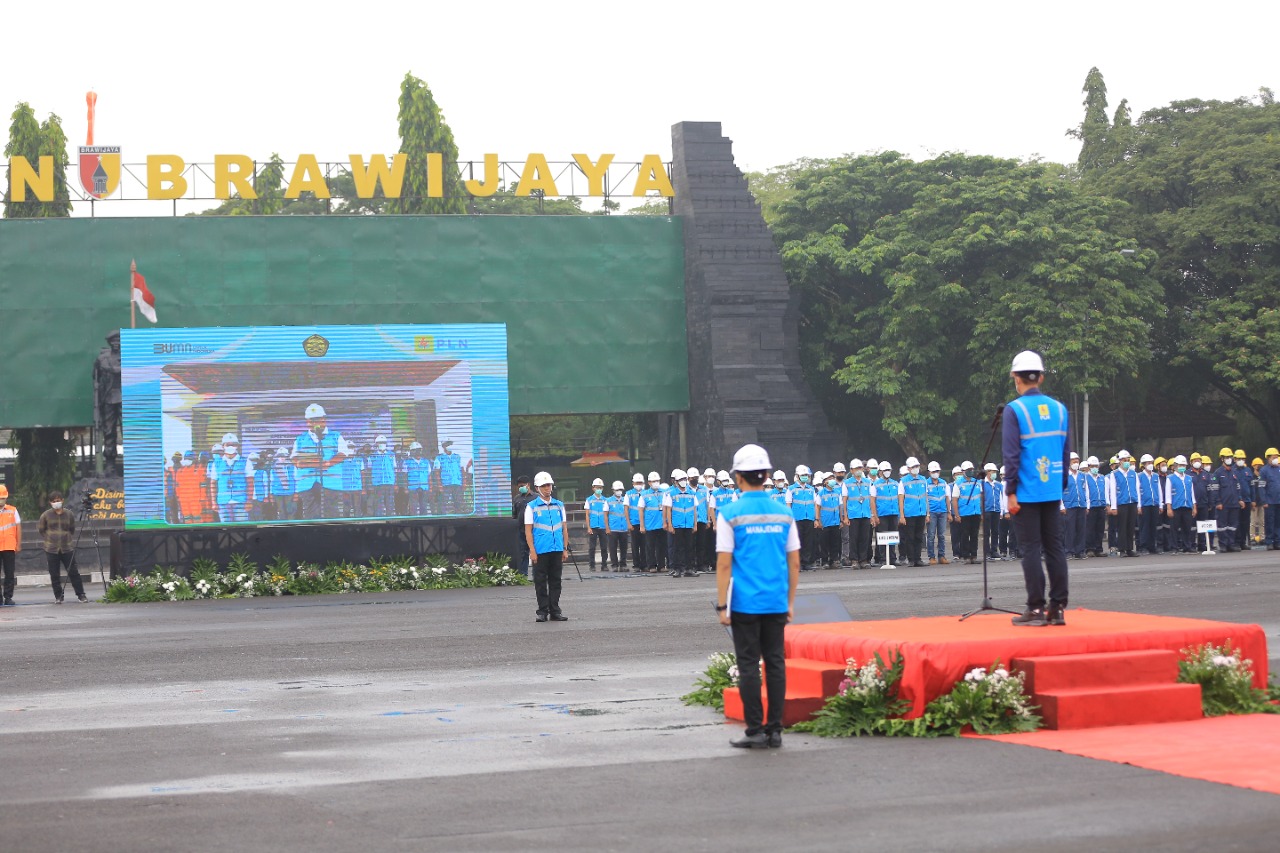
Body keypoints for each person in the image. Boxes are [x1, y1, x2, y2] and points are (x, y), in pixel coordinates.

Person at [715, 443, 800, 749]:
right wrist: (789, 602)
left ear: (738, 477)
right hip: (775, 600)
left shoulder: (729, 513)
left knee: (749, 665)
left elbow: (724, 563)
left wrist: (722, 605)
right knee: (775, 663)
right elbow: (794, 561)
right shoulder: (784, 512)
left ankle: (755, 729)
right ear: (766, 475)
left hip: (745, 603)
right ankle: (775, 729)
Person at [1002, 351, 1071, 627]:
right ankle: (1058, 607)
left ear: (1016, 378)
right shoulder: (1060, 410)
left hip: (1026, 492)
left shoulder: (1014, 410)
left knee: (1030, 549)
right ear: (1040, 377)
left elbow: (1011, 455)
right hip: (1052, 490)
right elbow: (1065, 453)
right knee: (1055, 548)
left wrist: (1010, 491)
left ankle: (1036, 607)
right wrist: (1060, 486)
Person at [292, 404, 350, 519]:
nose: (314, 423)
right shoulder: (300, 439)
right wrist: (301, 463)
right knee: (310, 515)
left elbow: (343, 453)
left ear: (324, 419)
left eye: (317, 419)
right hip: (307, 484)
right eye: (311, 420)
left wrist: (328, 463)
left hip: (330, 482)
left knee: (331, 513)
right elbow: (294, 457)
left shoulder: (335, 436)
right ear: (307, 422)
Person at [524, 472, 569, 622]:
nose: (547, 488)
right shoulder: (531, 507)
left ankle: (555, 611)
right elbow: (528, 531)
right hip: (540, 550)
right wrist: (532, 550)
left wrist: (565, 548)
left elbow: (564, 528)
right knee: (540, 581)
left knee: (556, 581)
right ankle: (542, 611)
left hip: (557, 548)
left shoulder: (559, 505)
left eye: (549, 485)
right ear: (537, 488)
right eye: (544, 486)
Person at [38, 492, 88, 603]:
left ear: (62, 500)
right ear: (50, 502)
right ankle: (58, 596)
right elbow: (41, 530)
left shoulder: (69, 514)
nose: (56, 503)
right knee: (54, 574)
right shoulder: (45, 515)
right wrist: (51, 537)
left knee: (73, 572)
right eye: (54, 501)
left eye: (58, 500)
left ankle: (81, 594)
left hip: (67, 548)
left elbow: (72, 529)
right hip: (51, 549)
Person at [664, 469, 698, 577]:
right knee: (677, 548)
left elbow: (694, 510)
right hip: (677, 525)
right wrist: (670, 524)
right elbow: (668, 510)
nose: (683, 481)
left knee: (689, 547)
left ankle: (688, 568)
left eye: (684, 479)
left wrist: (695, 524)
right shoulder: (672, 494)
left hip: (688, 524)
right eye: (680, 480)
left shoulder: (692, 493)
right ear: (676, 482)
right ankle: (677, 569)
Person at [1107, 450, 1140, 557]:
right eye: (1124, 460)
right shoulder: (1114, 474)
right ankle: (1122, 549)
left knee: (1131, 526)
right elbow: (1112, 491)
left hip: (1132, 502)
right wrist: (1113, 506)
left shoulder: (1133, 474)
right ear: (1120, 461)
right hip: (1121, 503)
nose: (1126, 462)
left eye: (1128, 460)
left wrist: (1139, 505)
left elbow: (1137, 489)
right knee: (1122, 527)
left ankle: (1129, 548)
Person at [842, 459, 873, 569]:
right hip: (853, 514)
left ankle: (863, 560)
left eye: (860, 468)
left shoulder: (868, 482)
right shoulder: (847, 483)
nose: (858, 470)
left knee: (865, 537)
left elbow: (871, 500)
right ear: (851, 470)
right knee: (854, 538)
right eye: (856, 468)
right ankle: (854, 559)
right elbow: (844, 500)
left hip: (865, 514)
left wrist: (872, 515)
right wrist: (845, 516)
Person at [1212, 448, 1244, 552]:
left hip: (1234, 503)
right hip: (1223, 504)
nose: (1229, 459)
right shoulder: (1217, 473)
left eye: (1230, 457)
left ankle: (1231, 544)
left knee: (1233, 525)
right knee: (1222, 526)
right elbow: (1215, 489)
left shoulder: (1234, 472)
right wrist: (1218, 502)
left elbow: (1238, 487)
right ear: (1222, 459)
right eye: (1226, 457)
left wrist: (1240, 499)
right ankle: (1223, 544)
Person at [1164, 455, 1197, 554]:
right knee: (1174, 528)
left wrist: (1194, 506)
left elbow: (1192, 493)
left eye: (1183, 465)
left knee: (1187, 528)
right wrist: (1169, 508)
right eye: (1180, 465)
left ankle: (1187, 546)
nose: (1182, 467)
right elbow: (1168, 494)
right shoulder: (1170, 478)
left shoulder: (1189, 478)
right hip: (1176, 506)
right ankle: (1174, 547)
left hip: (1187, 506)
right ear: (1175, 466)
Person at [786, 464, 817, 569]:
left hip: (809, 518)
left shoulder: (811, 489)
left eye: (806, 475)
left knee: (808, 541)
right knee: (797, 541)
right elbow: (788, 504)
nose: (805, 477)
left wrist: (816, 518)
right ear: (797, 476)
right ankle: (797, 563)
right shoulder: (791, 489)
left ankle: (806, 562)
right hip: (797, 518)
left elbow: (815, 504)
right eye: (803, 475)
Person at [870, 461, 900, 567]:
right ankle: (883, 558)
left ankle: (892, 558)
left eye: (888, 470)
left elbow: (899, 499)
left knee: (893, 536)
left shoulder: (895, 483)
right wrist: (875, 515)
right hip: (882, 514)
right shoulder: (875, 484)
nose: (887, 472)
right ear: (880, 472)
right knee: (883, 537)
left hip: (894, 513)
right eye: (885, 470)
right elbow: (872, 501)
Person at [899, 458, 928, 567]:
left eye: (916, 466)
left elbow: (926, 497)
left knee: (919, 537)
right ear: (908, 468)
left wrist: (927, 513)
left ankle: (918, 558)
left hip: (921, 512)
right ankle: (911, 559)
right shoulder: (903, 481)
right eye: (913, 467)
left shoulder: (923, 479)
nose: (915, 468)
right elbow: (901, 499)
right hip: (910, 513)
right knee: (910, 537)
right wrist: (902, 515)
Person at [639, 472, 667, 572]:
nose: (656, 483)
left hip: (662, 524)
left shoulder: (664, 492)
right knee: (650, 547)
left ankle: (661, 565)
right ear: (649, 483)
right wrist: (642, 525)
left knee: (662, 546)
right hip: (650, 525)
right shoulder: (644, 494)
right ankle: (651, 566)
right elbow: (641, 510)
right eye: (653, 481)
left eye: (657, 481)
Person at [924, 461, 951, 565]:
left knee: (942, 535)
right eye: (933, 471)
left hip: (943, 512)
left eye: (937, 471)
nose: (935, 473)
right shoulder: (926, 483)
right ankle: (931, 557)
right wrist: (927, 514)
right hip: (932, 512)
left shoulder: (944, 483)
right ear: (929, 472)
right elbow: (925, 499)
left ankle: (941, 556)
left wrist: (949, 512)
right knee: (931, 535)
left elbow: (947, 498)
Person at [815, 472, 843, 569]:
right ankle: (825, 561)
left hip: (836, 521)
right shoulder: (821, 493)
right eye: (830, 479)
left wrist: (841, 520)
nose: (832, 480)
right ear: (825, 482)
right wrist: (817, 520)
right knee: (824, 543)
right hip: (825, 521)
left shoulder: (837, 492)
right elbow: (817, 507)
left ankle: (834, 560)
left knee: (835, 542)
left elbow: (840, 507)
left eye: (832, 478)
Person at [1061, 452, 1086, 560]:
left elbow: (1086, 490)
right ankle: (1068, 551)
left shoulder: (1082, 475)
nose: (1076, 462)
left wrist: (1087, 505)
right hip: (1069, 505)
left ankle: (1079, 551)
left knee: (1081, 529)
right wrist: (1061, 506)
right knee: (1069, 529)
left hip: (1081, 504)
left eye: (1077, 460)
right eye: (1073, 461)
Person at [436, 441, 471, 514]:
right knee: (443, 503)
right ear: (443, 446)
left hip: (457, 482)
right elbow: (437, 472)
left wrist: (464, 482)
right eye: (447, 444)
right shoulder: (439, 458)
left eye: (450, 444)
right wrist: (439, 485)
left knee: (458, 502)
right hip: (446, 484)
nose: (449, 446)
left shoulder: (457, 456)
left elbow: (462, 470)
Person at [368, 436, 398, 517]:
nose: (382, 444)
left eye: (383, 442)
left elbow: (394, 469)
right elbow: (369, 470)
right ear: (376, 444)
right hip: (377, 484)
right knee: (378, 504)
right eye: (380, 442)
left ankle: (389, 518)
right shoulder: (372, 456)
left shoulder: (391, 454)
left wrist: (395, 483)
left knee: (389, 504)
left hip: (389, 482)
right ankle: (379, 518)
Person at [604, 480, 630, 570]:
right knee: (613, 548)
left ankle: (623, 564)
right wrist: (607, 527)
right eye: (617, 490)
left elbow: (628, 513)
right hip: (613, 528)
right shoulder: (608, 501)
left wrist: (628, 525)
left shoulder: (625, 500)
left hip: (624, 528)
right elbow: (605, 515)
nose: (619, 491)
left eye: (620, 490)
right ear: (613, 490)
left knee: (624, 548)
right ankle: (614, 565)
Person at [0, 484, 20, 605]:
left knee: (9, 573)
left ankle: (8, 597)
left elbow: (18, 527)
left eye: (3, 498)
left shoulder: (12, 510)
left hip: (9, 546)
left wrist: (18, 544)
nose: (1, 500)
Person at [512, 476, 535, 576]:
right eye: (519, 486)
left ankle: (537, 575)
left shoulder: (536, 498)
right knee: (523, 553)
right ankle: (523, 575)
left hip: (534, 530)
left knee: (536, 552)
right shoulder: (517, 498)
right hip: (521, 530)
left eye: (522, 485)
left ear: (528, 485)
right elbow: (514, 514)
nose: (521, 488)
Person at [585, 477, 609, 570]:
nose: (599, 489)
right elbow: (587, 515)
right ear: (593, 488)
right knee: (592, 548)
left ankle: (604, 565)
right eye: (597, 487)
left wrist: (607, 527)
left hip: (603, 526)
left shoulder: (605, 500)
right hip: (593, 526)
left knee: (604, 547)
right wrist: (588, 527)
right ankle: (592, 565)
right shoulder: (589, 500)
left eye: (600, 487)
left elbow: (607, 514)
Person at [1260, 447, 1280, 550]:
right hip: (1269, 501)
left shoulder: (1279, 469)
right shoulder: (1264, 470)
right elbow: (1261, 487)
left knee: (1278, 522)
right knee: (1269, 522)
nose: (1276, 459)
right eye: (1274, 457)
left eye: (1277, 457)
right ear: (1268, 458)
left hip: (1278, 500)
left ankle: (1277, 541)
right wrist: (1264, 501)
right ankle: (1269, 542)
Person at [404, 442, 432, 515]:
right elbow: (405, 476)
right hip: (413, 488)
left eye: (419, 450)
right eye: (416, 450)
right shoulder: (407, 462)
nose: (418, 452)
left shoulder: (426, 462)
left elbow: (429, 475)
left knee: (424, 506)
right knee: (413, 507)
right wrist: (405, 488)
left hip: (424, 487)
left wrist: (430, 487)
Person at [625, 473, 645, 568]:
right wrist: (628, 523)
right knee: (635, 545)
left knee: (644, 545)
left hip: (644, 523)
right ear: (633, 483)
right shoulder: (628, 494)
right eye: (637, 483)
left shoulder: (646, 493)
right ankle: (636, 564)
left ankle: (644, 564)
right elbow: (626, 509)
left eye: (640, 483)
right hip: (634, 523)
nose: (639, 485)